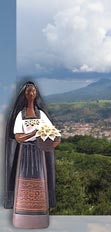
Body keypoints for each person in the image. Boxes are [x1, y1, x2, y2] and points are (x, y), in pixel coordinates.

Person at [4, 81, 60, 228]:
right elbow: (18, 137)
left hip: (39, 153)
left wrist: (54, 139)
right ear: (24, 94)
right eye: (29, 91)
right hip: (24, 155)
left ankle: (40, 217)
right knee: (22, 182)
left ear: (36, 94)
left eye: (33, 91)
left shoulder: (41, 114)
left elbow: (52, 131)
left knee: (41, 182)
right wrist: (35, 132)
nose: (31, 94)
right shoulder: (20, 115)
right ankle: (22, 217)